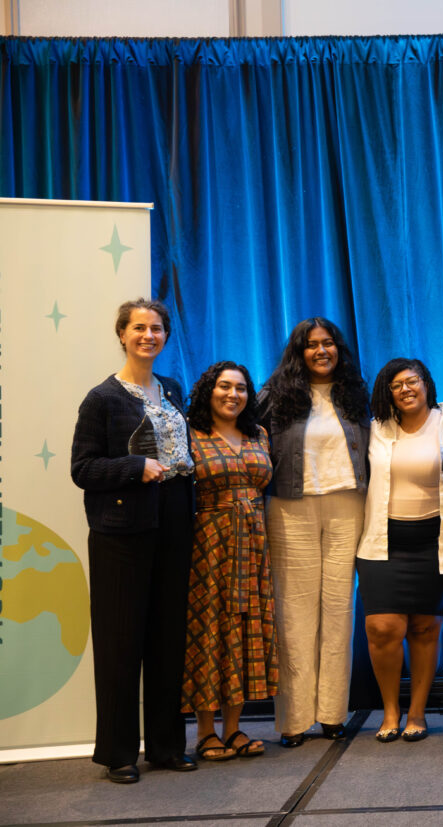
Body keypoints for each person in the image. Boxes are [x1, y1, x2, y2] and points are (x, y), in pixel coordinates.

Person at [71, 298, 197, 783]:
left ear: (166, 336)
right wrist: (134, 466)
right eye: (139, 328)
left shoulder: (173, 389)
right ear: (122, 334)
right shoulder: (102, 399)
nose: (149, 335)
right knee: (120, 644)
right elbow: (83, 469)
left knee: (168, 640)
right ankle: (118, 753)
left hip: (173, 523)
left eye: (157, 328)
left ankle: (166, 746)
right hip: (121, 534)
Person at [257, 318, 369, 747]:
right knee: (294, 614)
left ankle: (333, 714)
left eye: (328, 343)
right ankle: (294, 719)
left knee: (339, 611)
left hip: (348, 505)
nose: (321, 351)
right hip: (291, 506)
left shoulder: (355, 394)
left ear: (339, 348)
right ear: (298, 352)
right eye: (311, 345)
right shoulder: (274, 395)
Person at [355, 359, 443, 742]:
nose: (405, 389)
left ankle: (417, 712)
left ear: (426, 383)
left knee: (424, 628)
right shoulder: (375, 429)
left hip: (436, 543)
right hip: (382, 543)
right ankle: (390, 710)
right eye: (396, 385)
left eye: (412, 381)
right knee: (382, 627)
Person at [182, 361, 278, 761]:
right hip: (208, 544)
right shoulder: (190, 433)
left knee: (246, 628)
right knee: (209, 631)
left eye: (240, 388)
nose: (232, 395)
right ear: (208, 391)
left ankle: (234, 727)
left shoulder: (259, 434)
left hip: (253, 543)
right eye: (224, 386)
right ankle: (206, 731)